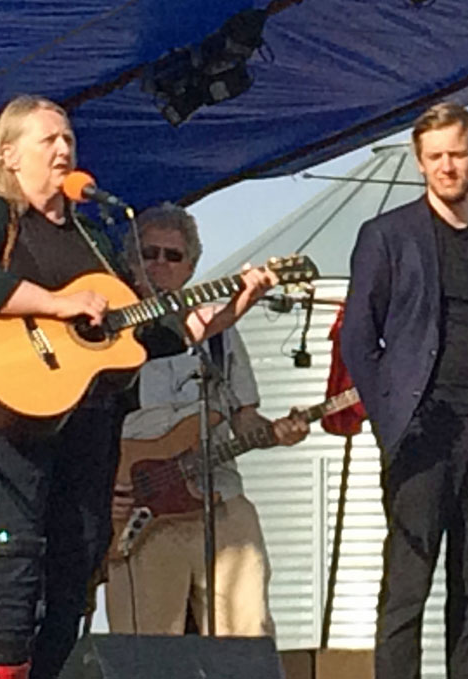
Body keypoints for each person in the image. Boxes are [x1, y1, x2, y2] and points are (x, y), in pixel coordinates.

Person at [0, 95, 277, 679]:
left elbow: (144, 333)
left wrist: (222, 315)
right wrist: (56, 304)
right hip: (14, 429)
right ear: (10, 155)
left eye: (69, 138)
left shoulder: (93, 235)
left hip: (89, 431)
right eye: (49, 140)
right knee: (13, 574)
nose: (64, 148)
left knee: (77, 568)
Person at [341, 102, 468, 679]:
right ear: (420, 164)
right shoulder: (387, 235)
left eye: (457, 154)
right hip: (420, 428)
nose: (447, 167)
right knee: (407, 586)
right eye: (435, 157)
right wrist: (389, 417)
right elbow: (356, 338)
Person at [104, 203, 309, 636]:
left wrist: (277, 434)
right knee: (149, 651)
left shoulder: (220, 330)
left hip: (219, 499)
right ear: (130, 261)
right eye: (149, 253)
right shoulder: (108, 333)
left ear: (191, 267)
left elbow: (244, 419)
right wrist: (104, 491)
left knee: (246, 638)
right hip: (141, 513)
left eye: (172, 256)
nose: (159, 263)